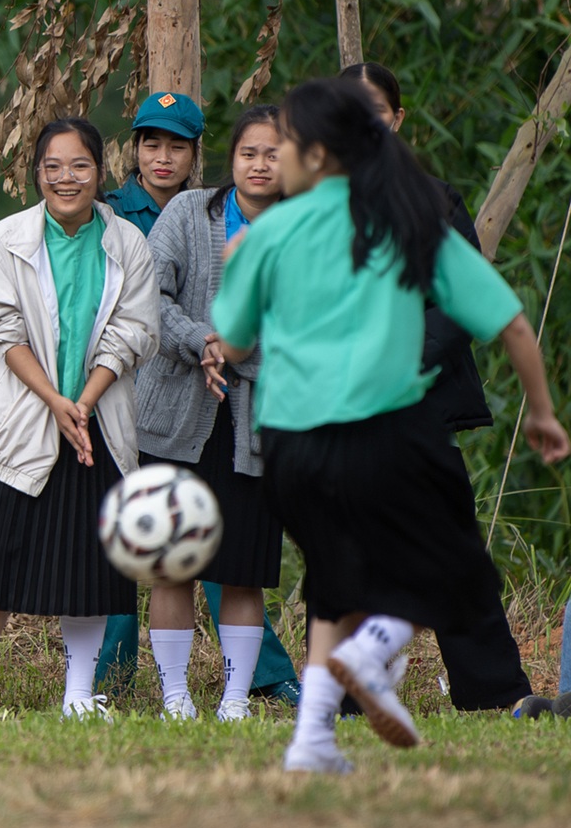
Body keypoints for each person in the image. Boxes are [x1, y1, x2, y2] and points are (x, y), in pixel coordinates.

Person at [210, 80, 569, 772]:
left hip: (287, 443)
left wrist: (234, 274)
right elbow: (512, 323)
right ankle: (374, 652)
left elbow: (230, 343)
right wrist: (544, 413)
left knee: (335, 579)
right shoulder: (410, 218)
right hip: (387, 431)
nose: (270, 154)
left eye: (282, 142)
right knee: (454, 569)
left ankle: (313, 737)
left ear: (317, 155)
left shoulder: (268, 233)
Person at [0, 117, 159, 721]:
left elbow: (133, 333)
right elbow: (2, 327)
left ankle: (78, 695)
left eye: (78, 166)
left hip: (99, 427)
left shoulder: (127, 242)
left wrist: (86, 399)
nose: (65, 178)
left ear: (100, 172)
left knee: (88, 568)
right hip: (24, 419)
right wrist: (56, 400)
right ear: (37, 174)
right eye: (52, 167)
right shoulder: (8, 238)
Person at [338, 61, 535, 712]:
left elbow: (467, 304)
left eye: (377, 111)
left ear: (397, 120)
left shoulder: (437, 201)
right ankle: (343, 694)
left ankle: (494, 692)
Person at [96, 92, 299, 705]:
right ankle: (175, 696)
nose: (259, 165)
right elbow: (151, 296)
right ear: (230, 158)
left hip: (256, 420)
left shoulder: (302, 228)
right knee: (168, 561)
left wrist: (236, 354)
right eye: (248, 153)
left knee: (242, 567)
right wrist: (202, 343)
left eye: (273, 155)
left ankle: (237, 698)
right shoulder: (189, 211)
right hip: (174, 414)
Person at [105, 91, 204, 234]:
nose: (163, 158)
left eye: (177, 148)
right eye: (152, 146)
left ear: (195, 154)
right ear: (136, 150)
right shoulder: (110, 210)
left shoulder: (207, 216)